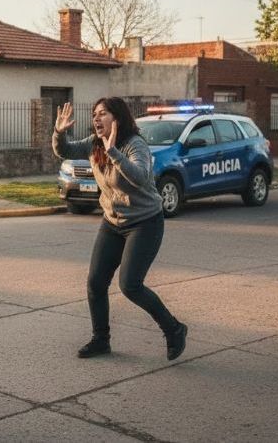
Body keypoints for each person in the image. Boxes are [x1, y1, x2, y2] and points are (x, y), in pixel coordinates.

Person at [52, 98, 187, 361]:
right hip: (113, 222)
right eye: (94, 114)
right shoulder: (93, 143)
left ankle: (174, 329)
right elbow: (65, 150)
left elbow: (139, 177)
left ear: (118, 118)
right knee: (95, 283)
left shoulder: (135, 145)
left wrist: (113, 151)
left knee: (130, 285)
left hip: (145, 222)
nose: (96, 118)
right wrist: (59, 132)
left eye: (103, 113)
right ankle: (101, 339)